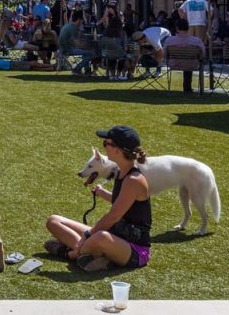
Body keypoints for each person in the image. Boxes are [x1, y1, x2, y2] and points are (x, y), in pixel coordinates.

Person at [45, 126, 151, 272]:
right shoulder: (121, 171)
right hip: (114, 235)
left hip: (135, 250)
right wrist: (103, 193)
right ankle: (90, 254)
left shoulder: (134, 180)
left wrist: (88, 235)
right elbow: (123, 203)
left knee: (100, 236)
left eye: (106, 143)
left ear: (117, 150)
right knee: (53, 221)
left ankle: (68, 253)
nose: (104, 148)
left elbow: (113, 217)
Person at [165, 18, 206, 93]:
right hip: (192, 65)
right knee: (189, 61)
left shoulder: (169, 41)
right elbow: (203, 54)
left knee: (186, 61)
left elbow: (165, 54)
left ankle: (187, 88)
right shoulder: (196, 41)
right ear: (188, 27)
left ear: (177, 28)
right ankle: (188, 88)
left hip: (174, 64)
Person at [59, 10, 94, 75]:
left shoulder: (68, 25)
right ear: (79, 20)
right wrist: (87, 46)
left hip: (62, 48)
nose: (82, 22)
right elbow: (77, 43)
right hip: (67, 50)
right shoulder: (73, 28)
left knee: (86, 52)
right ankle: (77, 68)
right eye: (82, 20)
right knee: (91, 53)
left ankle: (86, 71)